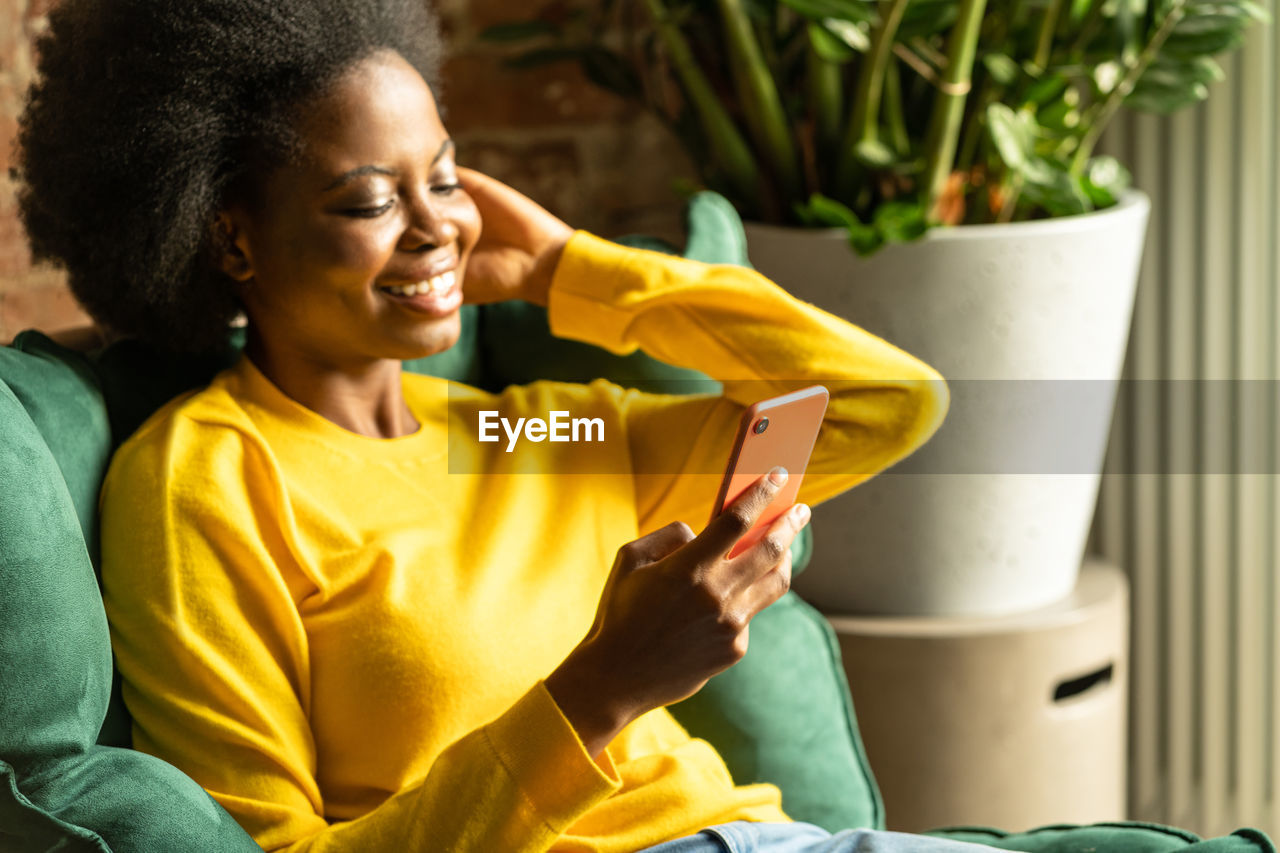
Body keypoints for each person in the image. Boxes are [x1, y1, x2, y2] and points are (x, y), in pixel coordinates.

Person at [15, 1, 1010, 851]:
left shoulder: (519, 437)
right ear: (233, 236)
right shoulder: (211, 481)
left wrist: (566, 268)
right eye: (370, 197)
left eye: (443, 178)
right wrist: (600, 689)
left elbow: (886, 402)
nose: (437, 224)